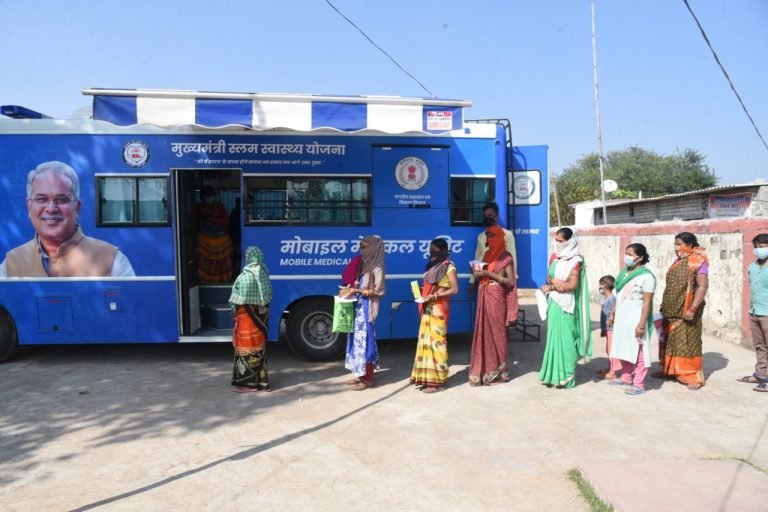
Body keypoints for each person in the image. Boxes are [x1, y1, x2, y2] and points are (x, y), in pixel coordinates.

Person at [0, 161, 135, 277]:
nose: (51, 208)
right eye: (41, 199)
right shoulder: (11, 263)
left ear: (77, 207)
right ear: (29, 207)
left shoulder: (112, 260)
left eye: (61, 199)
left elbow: (131, 306)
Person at [538, 227, 591, 389]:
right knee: (553, 340)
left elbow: (572, 285)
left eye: (561, 241)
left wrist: (554, 285)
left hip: (566, 305)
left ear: (570, 241)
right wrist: (555, 283)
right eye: (556, 240)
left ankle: (566, 376)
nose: (557, 243)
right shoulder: (555, 257)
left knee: (566, 340)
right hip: (554, 303)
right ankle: (552, 376)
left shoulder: (576, 261)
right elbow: (548, 277)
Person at [657, 232, 709, 390]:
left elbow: (702, 286)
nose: (676, 247)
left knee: (688, 341)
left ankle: (692, 376)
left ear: (691, 245)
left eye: (679, 244)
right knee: (671, 341)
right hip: (671, 309)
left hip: (688, 310)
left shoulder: (698, 261)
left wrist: (692, 308)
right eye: (675, 244)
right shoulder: (678, 261)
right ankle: (670, 370)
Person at [469, 225, 519, 386]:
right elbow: (483, 273)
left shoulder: (505, 257)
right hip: (483, 293)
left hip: (497, 296)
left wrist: (490, 274)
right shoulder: (487, 255)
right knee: (483, 332)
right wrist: (477, 275)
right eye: (487, 237)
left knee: (497, 333)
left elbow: (511, 281)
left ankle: (499, 372)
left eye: (491, 237)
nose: (488, 241)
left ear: (498, 238)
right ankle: (484, 370)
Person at [410, 238, 459, 393]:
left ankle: (439, 381)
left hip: (438, 308)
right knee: (425, 342)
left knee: (437, 343)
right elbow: (431, 285)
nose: (431, 253)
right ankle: (426, 378)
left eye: (434, 250)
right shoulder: (432, 266)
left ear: (443, 251)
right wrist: (422, 289)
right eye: (430, 250)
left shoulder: (449, 266)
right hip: (428, 306)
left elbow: (455, 289)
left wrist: (436, 296)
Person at [608, 244, 655, 396]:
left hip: (636, 319)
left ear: (640, 258)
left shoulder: (646, 276)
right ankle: (626, 376)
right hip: (623, 319)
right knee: (625, 347)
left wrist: (642, 324)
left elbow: (647, 302)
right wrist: (613, 313)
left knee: (640, 351)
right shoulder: (624, 274)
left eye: (630, 254)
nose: (626, 256)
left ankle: (639, 384)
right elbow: (619, 295)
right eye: (626, 253)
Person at [341, 235, 386, 391]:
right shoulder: (363, 264)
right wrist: (351, 289)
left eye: (365, 247)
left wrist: (359, 290)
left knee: (366, 343)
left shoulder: (377, 267)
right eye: (361, 247)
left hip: (367, 308)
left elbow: (380, 291)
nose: (362, 250)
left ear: (373, 248)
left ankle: (368, 379)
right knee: (356, 342)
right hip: (357, 306)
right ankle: (359, 374)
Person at [228, 246, 272, 393]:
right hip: (262, 321)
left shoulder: (244, 277)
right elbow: (267, 297)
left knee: (246, 351)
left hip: (246, 322)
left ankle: (247, 384)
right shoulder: (264, 274)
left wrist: (234, 314)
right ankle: (262, 383)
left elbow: (235, 300)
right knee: (260, 350)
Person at [468, 201, 518, 295]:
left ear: (496, 216)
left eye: (490, 215)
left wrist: (513, 279)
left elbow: (512, 258)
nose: (487, 218)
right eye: (485, 216)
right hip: (483, 281)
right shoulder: (481, 236)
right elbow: (478, 258)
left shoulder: (507, 235)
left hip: (499, 281)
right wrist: (472, 281)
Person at [741, 233, 768, 392]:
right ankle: (761, 375)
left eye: (763, 246)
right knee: (760, 346)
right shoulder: (752, 267)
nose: (759, 250)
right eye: (756, 247)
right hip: (755, 311)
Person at [196, 185, 233, 283]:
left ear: (215, 196)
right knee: (203, 258)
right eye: (206, 195)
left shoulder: (219, 206)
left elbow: (225, 221)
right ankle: (204, 278)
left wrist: (213, 219)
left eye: (211, 195)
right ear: (202, 196)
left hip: (220, 237)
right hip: (204, 237)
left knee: (223, 259)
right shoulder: (198, 207)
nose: (209, 197)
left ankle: (223, 278)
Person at [596, 275, 621, 380]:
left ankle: (613, 371)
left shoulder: (612, 299)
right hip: (607, 329)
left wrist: (610, 319)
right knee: (608, 348)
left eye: (600, 285)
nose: (599, 287)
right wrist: (603, 329)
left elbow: (615, 312)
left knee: (611, 349)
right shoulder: (607, 298)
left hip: (612, 329)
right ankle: (610, 367)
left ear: (605, 286)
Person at [228, 197, 242, 275]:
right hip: (237, 239)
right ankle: (236, 274)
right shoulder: (238, 212)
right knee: (238, 256)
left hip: (236, 238)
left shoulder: (236, 211)